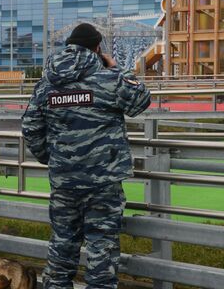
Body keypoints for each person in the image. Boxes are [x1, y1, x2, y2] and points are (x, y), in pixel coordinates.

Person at [21, 23, 151, 289]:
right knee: (101, 249)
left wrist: (55, 158)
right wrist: (116, 68)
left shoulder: (47, 83)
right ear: (97, 48)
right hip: (103, 182)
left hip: (64, 181)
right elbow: (141, 101)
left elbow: (30, 129)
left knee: (62, 245)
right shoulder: (109, 78)